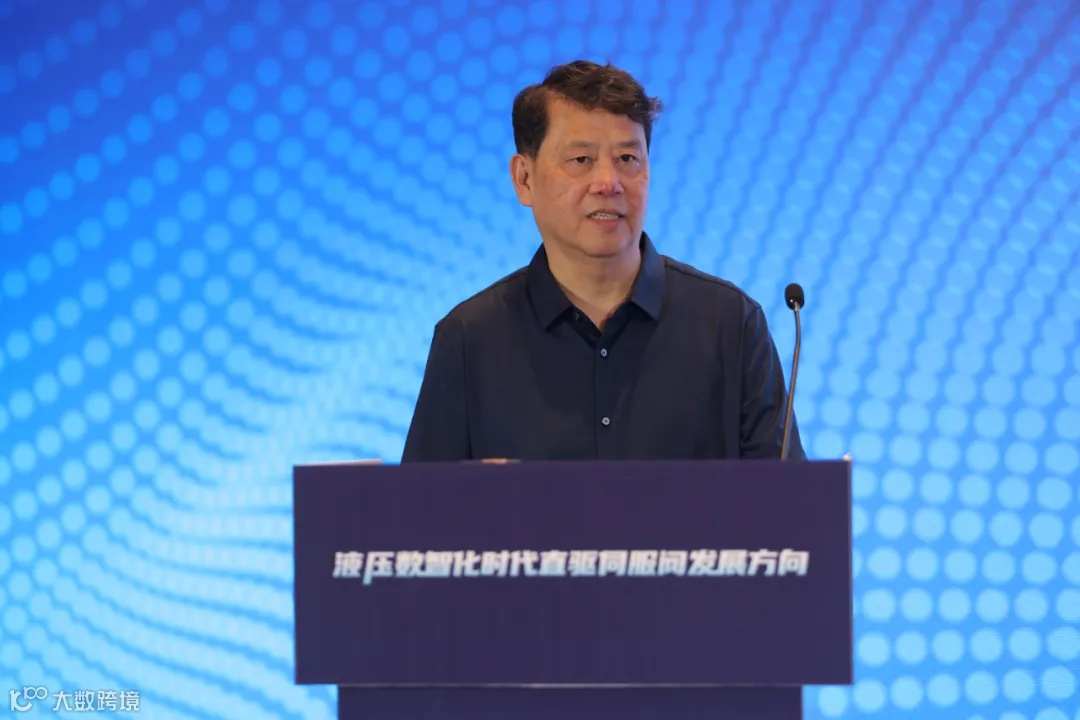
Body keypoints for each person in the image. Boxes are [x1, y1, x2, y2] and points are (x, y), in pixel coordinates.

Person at [401, 60, 805, 462]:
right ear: (524, 178)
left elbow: (789, 500)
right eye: (581, 160)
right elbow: (421, 503)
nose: (608, 183)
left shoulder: (731, 325)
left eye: (628, 159)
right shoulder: (469, 340)